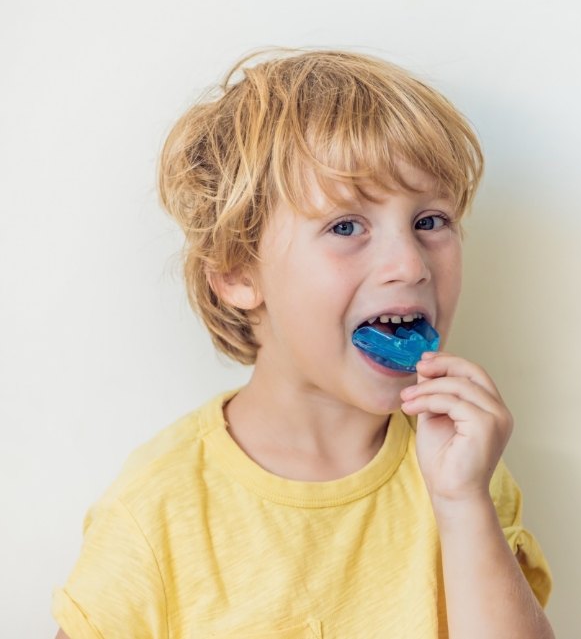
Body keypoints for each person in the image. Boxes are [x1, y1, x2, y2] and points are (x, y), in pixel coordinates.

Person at [52, 48, 554, 639]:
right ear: (240, 273)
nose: (408, 264)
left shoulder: (463, 468)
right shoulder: (157, 511)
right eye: (346, 226)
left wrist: (464, 503)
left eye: (430, 221)